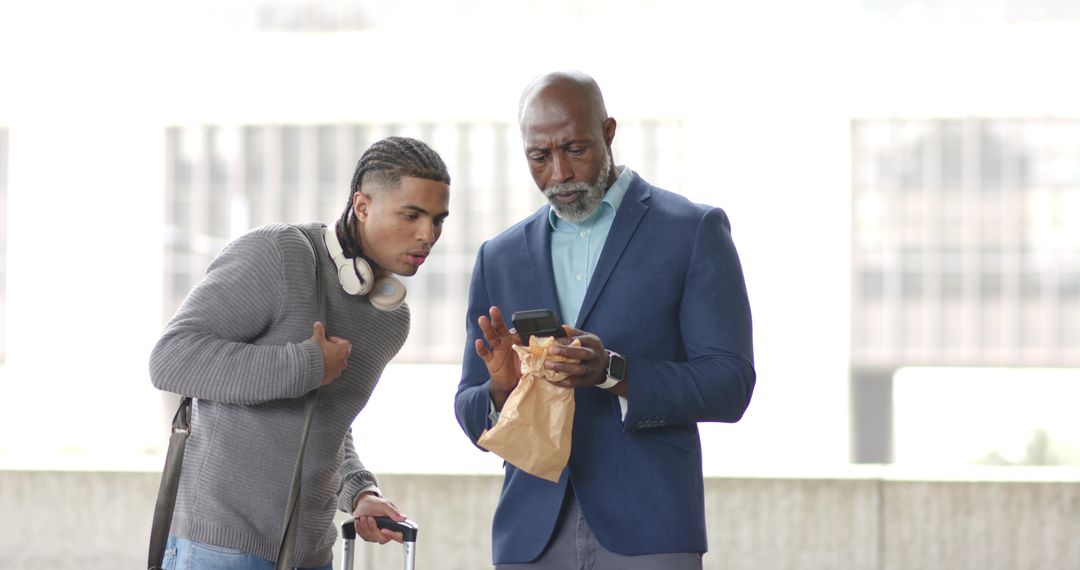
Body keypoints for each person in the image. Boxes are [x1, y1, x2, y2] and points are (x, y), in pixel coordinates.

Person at [454, 71, 755, 569]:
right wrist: (502, 392)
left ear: (608, 132)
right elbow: (469, 405)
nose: (559, 173)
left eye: (575, 149)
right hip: (530, 535)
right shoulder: (499, 256)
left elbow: (731, 383)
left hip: (650, 529)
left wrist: (614, 372)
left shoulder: (692, 231)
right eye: (539, 156)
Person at [150, 136, 451, 569]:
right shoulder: (279, 255)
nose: (428, 234)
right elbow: (171, 359)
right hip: (220, 549)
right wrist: (306, 363)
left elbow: (328, 420)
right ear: (362, 206)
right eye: (412, 215)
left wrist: (360, 492)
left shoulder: (390, 318)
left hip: (310, 553)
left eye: (438, 220)